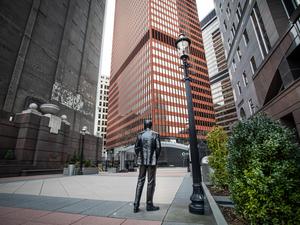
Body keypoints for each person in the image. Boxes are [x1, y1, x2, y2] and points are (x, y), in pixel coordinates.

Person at [133, 119, 161, 213]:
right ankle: (149, 205)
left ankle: (136, 205)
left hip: (142, 161)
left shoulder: (140, 134)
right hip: (151, 161)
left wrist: (140, 156)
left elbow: (136, 148)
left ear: (144, 126)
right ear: (151, 125)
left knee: (140, 181)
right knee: (151, 182)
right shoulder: (155, 134)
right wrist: (154, 158)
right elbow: (158, 148)